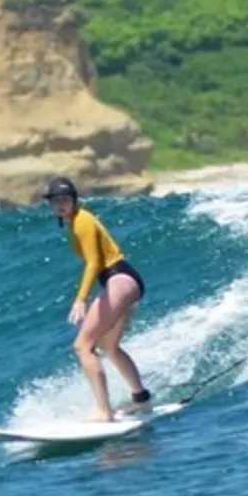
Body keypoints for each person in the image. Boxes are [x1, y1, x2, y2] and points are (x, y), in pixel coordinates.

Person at [43, 176, 152, 421]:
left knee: (82, 346)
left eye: (65, 200)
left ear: (74, 200)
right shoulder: (75, 221)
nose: (60, 205)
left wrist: (81, 299)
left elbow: (94, 262)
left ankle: (104, 412)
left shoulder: (82, 221)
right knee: (109, 346)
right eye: (55, 201)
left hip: (118, 278)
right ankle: (142, 400)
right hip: (124, 280)